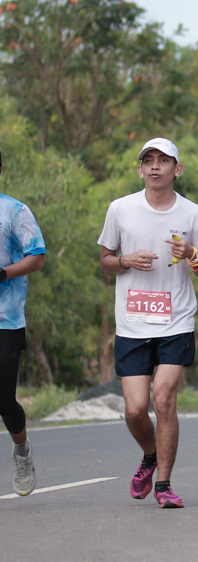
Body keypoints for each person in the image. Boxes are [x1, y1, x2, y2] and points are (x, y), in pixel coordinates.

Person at [97, 138, 198, 508]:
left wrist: (192, 254)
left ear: (176, 169)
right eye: (148, 160)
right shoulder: (120, 209)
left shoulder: (193, 214)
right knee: (135, 410)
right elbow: (105, 259)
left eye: (163, 160)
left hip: (175, 322)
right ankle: (150, 455)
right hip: (132, 323)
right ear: (139, 169)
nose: (154, 166)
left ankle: (164, 484)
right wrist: (126, 260)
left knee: (163, 398)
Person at [0, 143, 46, 496]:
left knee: (3, 400)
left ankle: (21, 450)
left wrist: (3, 274)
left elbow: (37, 257)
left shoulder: (14, 211)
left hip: (6, 319)